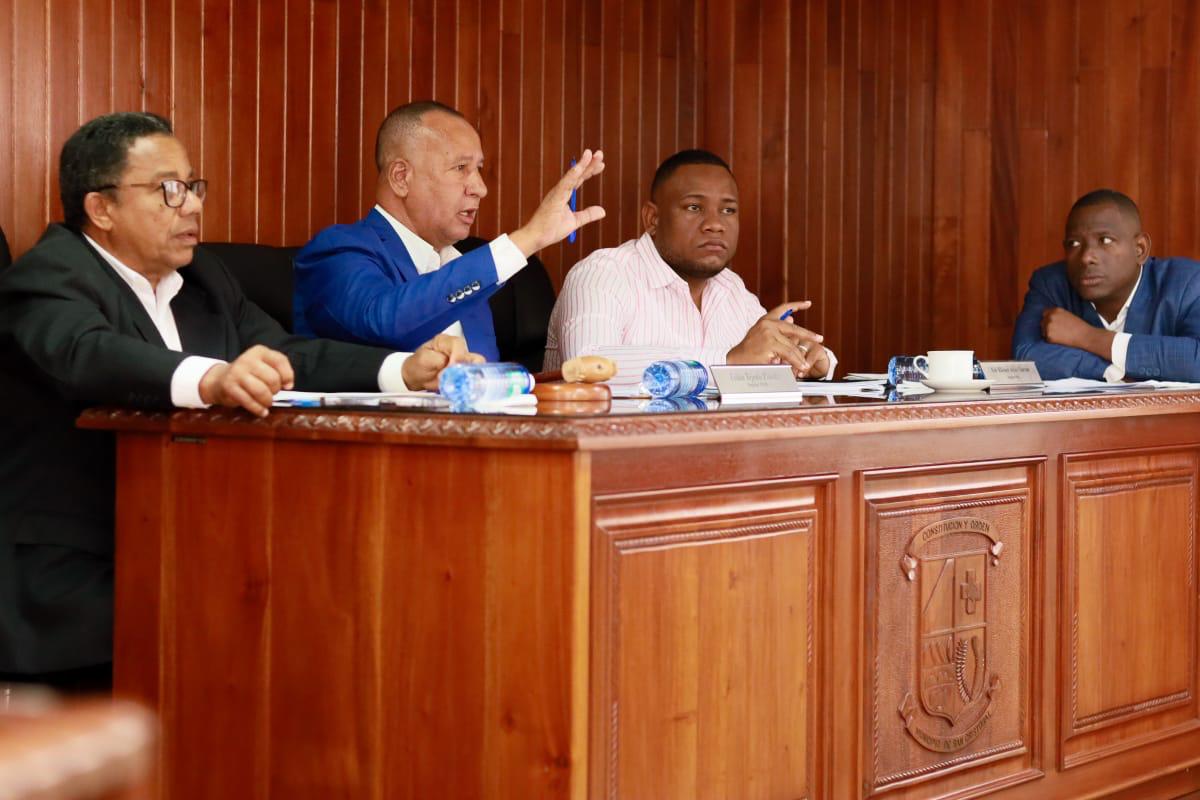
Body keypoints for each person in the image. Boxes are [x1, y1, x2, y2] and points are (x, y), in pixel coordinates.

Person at [0, 112, 480, 691]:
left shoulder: (203, 276)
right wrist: (210, 380)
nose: (192, 205)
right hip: (70, 582)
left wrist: (402, 369)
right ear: (101, 208)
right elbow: (88, 353)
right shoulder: (50, 274)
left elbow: (286, 354)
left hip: (192, 552)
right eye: (168, 190)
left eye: (192, 186)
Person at [294, 100, 605, 360]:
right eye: (460, 168)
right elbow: (384, 321)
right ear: (401, 177)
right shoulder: (336, 251)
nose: (480, 188)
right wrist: (528, 238)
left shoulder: (463, 267)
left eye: (478, 169)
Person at [544, 149, 835, 381]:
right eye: (694, 207)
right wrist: (727, 361)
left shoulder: (732, 290)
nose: (715, 224)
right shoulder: (602, 273)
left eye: (728, 210)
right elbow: (587, 367)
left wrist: (807, 361)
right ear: (653, 219)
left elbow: (763, 355)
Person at [1012, 189, 1200, 381]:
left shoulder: (1188, 283)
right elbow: (1026, 355)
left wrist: (1087, 337)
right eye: (1074, 243)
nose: (1086, 257)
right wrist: (1112, 372)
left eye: (1105, 240)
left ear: (1140, 249)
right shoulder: (1050, 284)